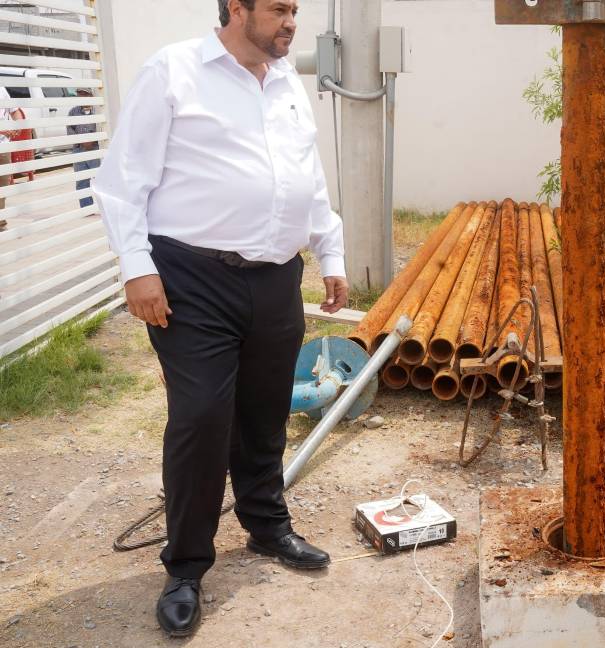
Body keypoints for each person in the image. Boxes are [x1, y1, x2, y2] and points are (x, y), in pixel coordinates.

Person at [93, 0, 348, 638]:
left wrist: (330, 250)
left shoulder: (287, 81)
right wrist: (136, 268)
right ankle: (185, 566)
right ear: (237, 7)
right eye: (280, 9)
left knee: (264, 409)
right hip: (190, 280)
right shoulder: (173, 71)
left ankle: (267, 528)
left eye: (296, 10)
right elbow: (123, 179)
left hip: (275, 279)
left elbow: (306, 178)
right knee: (202, 415)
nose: (292, 22)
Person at [68, 88, 101, 209]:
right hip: (79, 149)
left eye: (84, 94)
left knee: (99, 179)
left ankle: (104, 206)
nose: (81, 96)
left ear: (91, 95)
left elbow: (102, 127)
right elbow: (70, 129)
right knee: (81, 181)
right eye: (79, 94)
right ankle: (87, 208)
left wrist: (92, 139)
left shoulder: (98, 110)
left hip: (95, 148)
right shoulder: (73, 111)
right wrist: (81, 141)